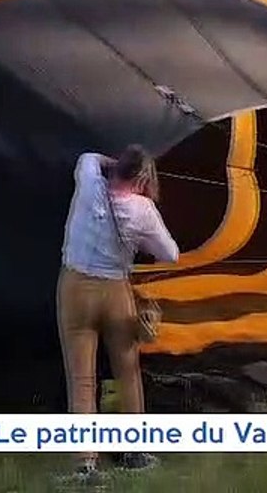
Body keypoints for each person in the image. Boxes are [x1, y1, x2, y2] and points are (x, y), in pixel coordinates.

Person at [56, 144, 180, 482]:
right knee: (128, 372)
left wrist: (115, 165)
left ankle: (85, 464)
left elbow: (88, 157)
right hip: (115, 291)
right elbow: (171, 254)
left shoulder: (88, 181)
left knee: (81, 379)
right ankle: (134, 452)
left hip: (76, 286)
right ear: (142, 179)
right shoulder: (143, 210)